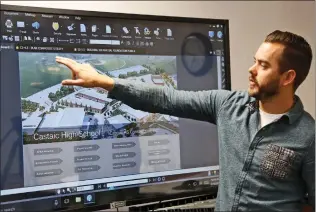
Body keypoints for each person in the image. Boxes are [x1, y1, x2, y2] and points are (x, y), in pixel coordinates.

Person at [56, 30, 315, 211]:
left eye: (263, 65)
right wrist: (105, 82)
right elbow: (165, 98)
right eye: (253, 61)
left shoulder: (308, 136)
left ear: (287, 77)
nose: (252, 69)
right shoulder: (228, 105)